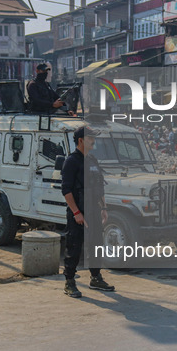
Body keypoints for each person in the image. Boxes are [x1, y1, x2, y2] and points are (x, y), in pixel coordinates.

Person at [61, 126, 114, 298]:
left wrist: (103, 208)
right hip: (79, 212)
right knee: (74, 246)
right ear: (81, 140)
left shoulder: (92, 160)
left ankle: (95, 278)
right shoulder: (71, 161)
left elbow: (99, 186)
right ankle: (69, 282)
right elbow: (66, 191)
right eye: (91, 138)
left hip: (94, 210)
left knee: (96, 245)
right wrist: (76, 213)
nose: (94, 141)